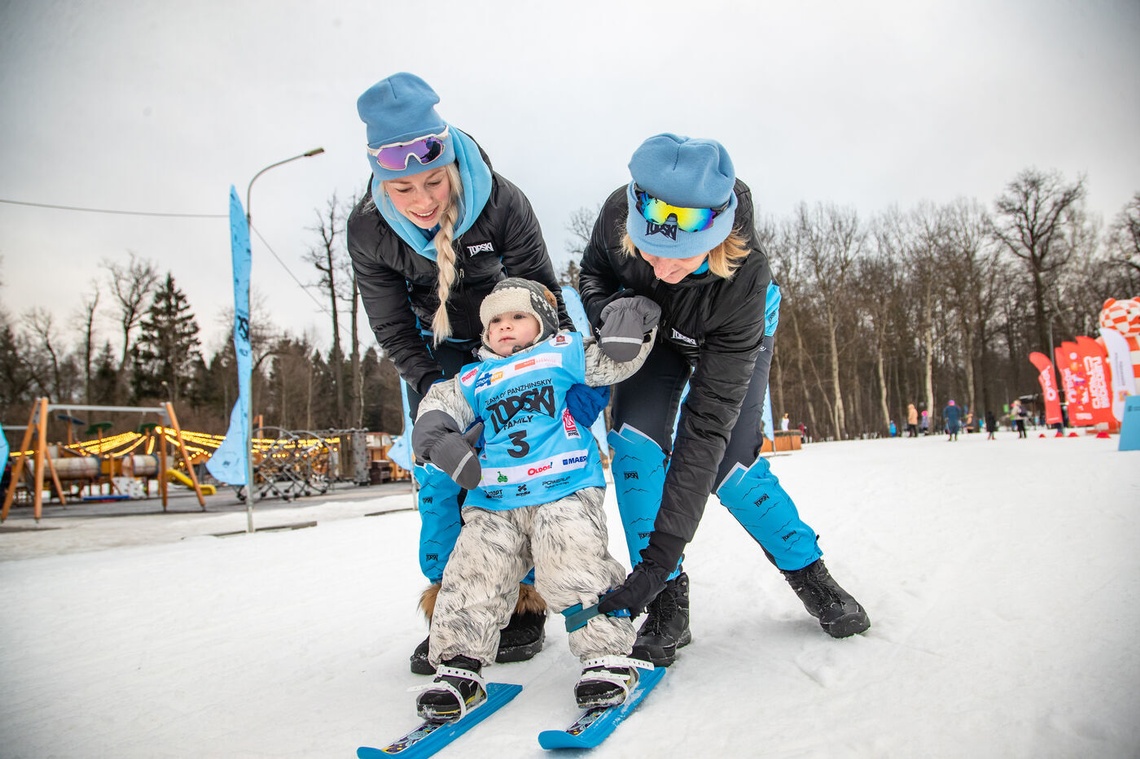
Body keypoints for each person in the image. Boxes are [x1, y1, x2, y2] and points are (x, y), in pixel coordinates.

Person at [578, 133, 870, 667]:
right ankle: (667, 599)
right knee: (634, 444)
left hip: (732, 334)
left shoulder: (744, 280)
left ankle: (809, 572)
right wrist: (609, 312)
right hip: (657, 335)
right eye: (650, 251)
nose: (663, 268)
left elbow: (704, 429)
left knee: (728, 460)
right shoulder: (619, 211)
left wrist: (658, 554)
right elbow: (594, 273)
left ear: (714, 240)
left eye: (680, 255)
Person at [347, 72, 578, 673]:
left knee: (507, 467)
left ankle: (523, 603)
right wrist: (439, 401)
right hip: (437, 354)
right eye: (403, 189)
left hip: (515, 345)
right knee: (440, 477)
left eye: (433, 180)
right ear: (381, 183)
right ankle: (455, 606)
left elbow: (541, 296)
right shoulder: (368, 229)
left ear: (450, 162)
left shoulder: (501, 201)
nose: (422, 201)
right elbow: (394, 326)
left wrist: (531, 373)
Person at [410, 278, 659, 719]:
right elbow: (438, 403)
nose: (505, 327)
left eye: (517, 317)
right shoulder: (474, 376)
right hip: (494, 500)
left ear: (541, 323)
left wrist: (634, 324)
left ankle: (605, 657)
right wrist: (437, 436)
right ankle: (458, 667)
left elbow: (614, 361)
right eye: (495, 322)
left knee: (574, 566)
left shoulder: (562, 351)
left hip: (563, 489)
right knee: (473, 573)